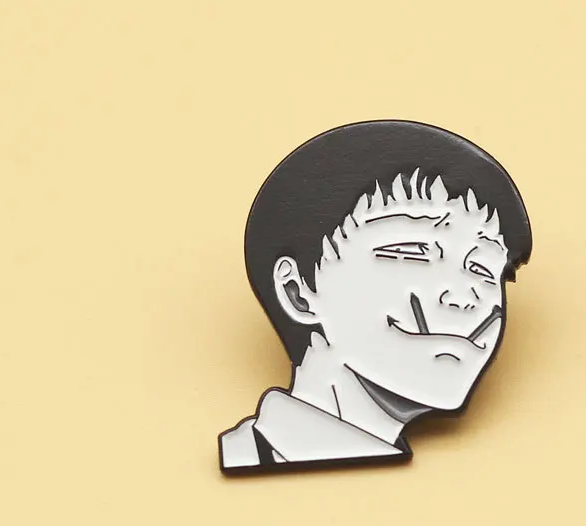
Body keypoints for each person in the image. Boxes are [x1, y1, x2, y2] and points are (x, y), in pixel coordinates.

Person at [219, 120, 532, 473]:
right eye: (411, 251)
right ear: (298, 292)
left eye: (483, 268)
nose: (463, 296)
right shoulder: (248, 454)